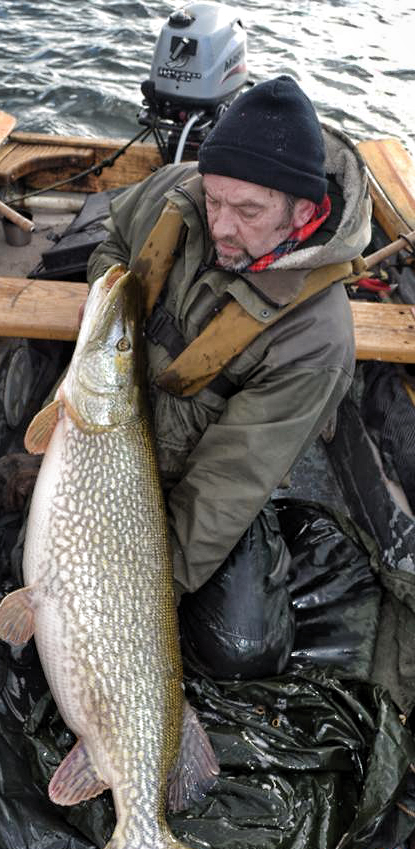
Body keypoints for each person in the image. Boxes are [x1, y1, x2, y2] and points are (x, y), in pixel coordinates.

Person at [86, 75, 372, 680]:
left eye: (247, 211)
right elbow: (112, 242)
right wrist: (106, 314)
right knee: (18, 559)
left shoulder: (316, 340)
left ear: (305, 210)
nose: (220, 227)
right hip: (114, 430)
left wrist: (135, 599)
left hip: (201, 480)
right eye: (215, 201)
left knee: (242, 649)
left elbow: (223, 489)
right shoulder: (178, 192)